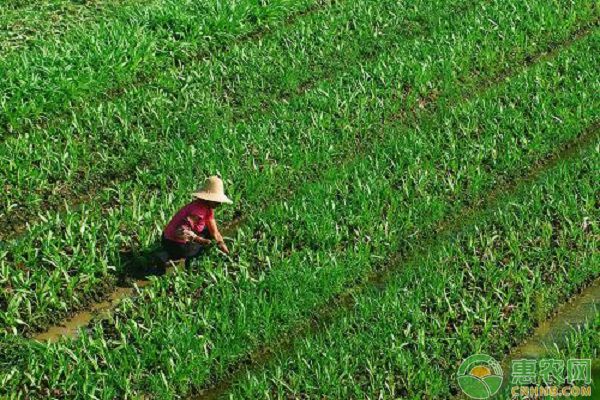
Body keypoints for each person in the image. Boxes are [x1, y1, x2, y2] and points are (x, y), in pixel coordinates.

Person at [161, 176, 232, 267]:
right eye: (217, 201)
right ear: (208, 199)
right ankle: (172, 256)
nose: (219, 204)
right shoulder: (198, 212)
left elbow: (214, 232)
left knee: (209, 233)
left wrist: (221, 243)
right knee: (202, 248)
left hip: (178, 237)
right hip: (173, 242)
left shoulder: (208, 208)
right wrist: (200, 240)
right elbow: (181, 231)